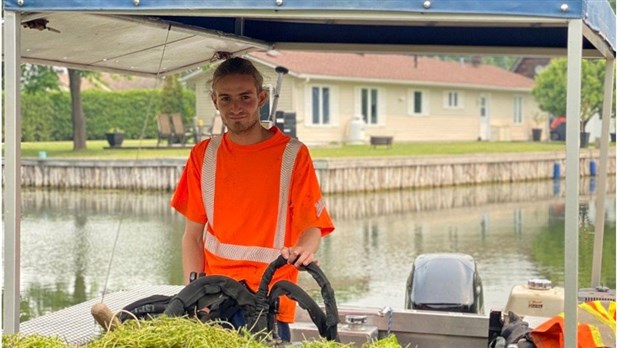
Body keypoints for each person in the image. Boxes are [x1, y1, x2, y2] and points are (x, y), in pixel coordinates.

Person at [170, 57, 334, 341]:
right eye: (226, 98)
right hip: (214, 301)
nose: (235, 107)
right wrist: (194, 295)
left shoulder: (293, 155)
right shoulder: (203, 156)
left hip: (268, 301)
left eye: (245, 97)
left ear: (261, 97)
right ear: (214, 101)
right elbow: (192, 237)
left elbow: (312, 226)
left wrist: (304, 251)